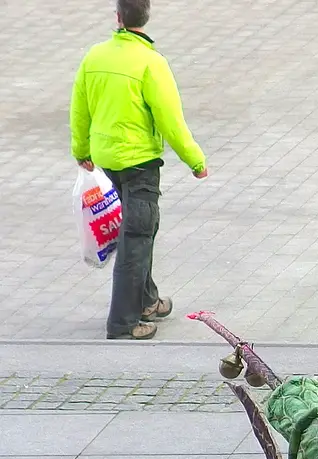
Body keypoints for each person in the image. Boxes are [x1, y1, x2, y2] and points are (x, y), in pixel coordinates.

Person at [70, 0, 207, 340]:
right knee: (137, 237)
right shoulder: (151, 63)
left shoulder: (95, 57)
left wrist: (81, 150)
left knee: (144, 230)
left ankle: (147, 300)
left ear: (117, 17)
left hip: (104, 161)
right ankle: (123, 321)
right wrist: (196, 160)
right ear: (146, 17)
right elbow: (170, 119)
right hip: (139, 162)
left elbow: (79, 108)